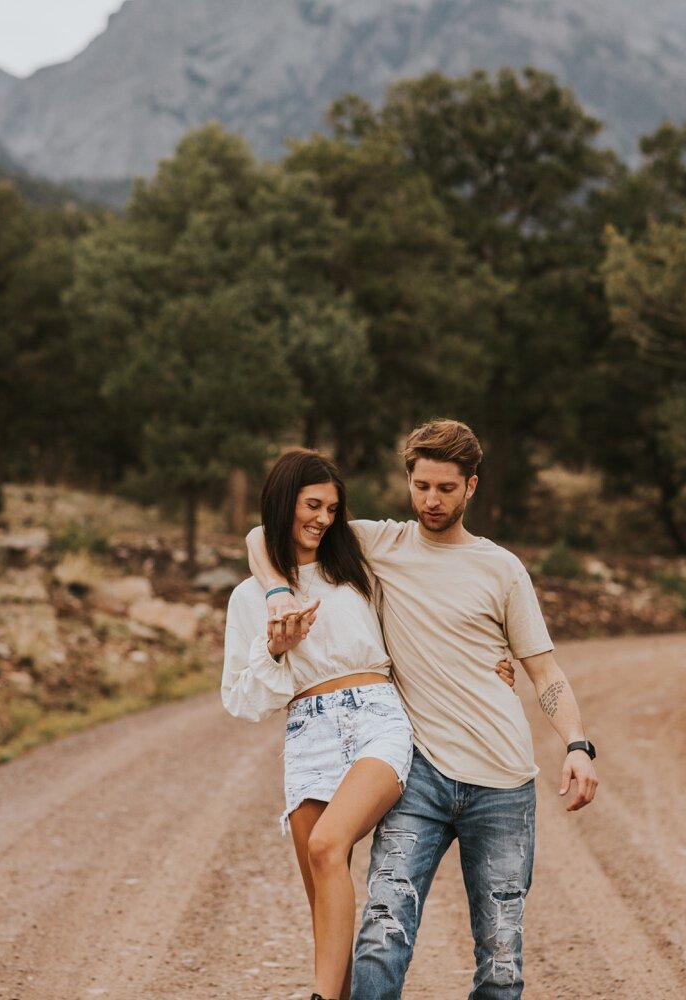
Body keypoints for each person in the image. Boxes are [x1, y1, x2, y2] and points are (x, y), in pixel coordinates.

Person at [246, 419, 598, 1000]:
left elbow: (545, 672)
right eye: (422, 486)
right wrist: (276, 591)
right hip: (420, 776)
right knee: (381, 937)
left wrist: (577, 745)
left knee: (501, 960)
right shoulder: (379, 545)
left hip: (502, 783)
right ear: (409, 482)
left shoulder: (501, 568)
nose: (432, 501)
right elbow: (265, 535)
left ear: (472, 487)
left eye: (446, 488)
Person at [222, 449, 515, 1000]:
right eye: (313, 505)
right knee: (322, 897)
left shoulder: (356, 570)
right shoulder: (248, 598)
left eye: (333, 508)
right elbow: (243, 700)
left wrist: (487, 664)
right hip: (307, 729)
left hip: (377, 718)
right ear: (286, 502)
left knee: (328, 846)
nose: (324, 519)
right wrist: (276, 648)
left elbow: (424, 627)